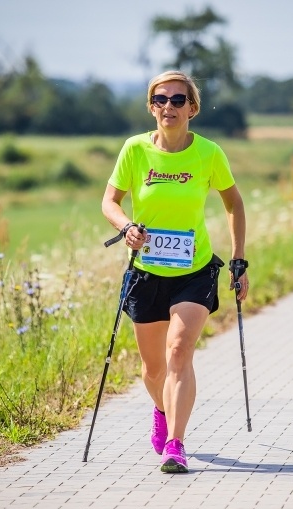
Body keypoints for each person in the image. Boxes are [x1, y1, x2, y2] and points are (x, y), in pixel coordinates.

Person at [101, 70, 249, 473]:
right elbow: (110, 201)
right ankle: (162, 410)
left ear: (193, 108)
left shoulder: (209, 153)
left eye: (178, 100)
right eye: (161, 100)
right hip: (146, 272)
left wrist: (238, 260)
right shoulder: (134, 150)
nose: (169, 106)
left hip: (194, 270)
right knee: (152, 369)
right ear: (151, 107)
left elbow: (234, 205)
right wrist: (126, 226)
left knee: (179, 352)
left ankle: (176, 444)